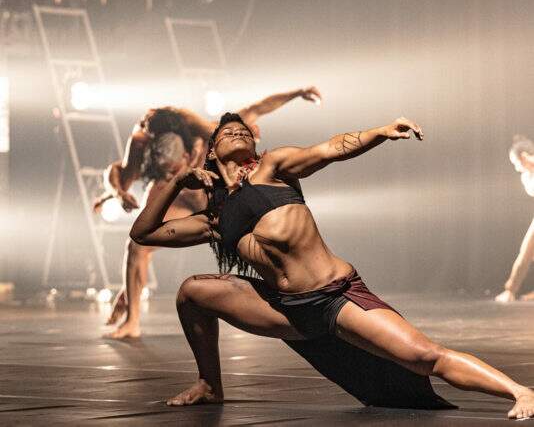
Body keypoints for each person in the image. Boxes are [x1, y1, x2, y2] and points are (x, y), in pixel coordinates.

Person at [129, 113, 534, 419]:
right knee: (192, 292)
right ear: (212, 152)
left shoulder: (274, 167)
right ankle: (209, 383)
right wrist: (177, 182)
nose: (237, 131)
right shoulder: (216, 218)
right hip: (284, 307)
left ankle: (520, 391)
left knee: (425, 356)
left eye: (244, 131)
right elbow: (144, 233)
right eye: (226, 132)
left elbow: (329, 148)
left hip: (335, 298)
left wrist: (378, 133)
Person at [93, 87, 322, 339]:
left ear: (190, 149)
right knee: (137, 246)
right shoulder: (141, 141)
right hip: (179, 196)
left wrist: (297, 93)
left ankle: (304, 288)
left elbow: (255, 109)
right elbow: (117, 172)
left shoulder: (207, 131)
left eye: (175, 162)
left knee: (260, 240)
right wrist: (116, 192)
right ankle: (132, 320)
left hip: (213, 194)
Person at [495, 135, 534, 303]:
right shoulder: (526, 177)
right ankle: (510, 291)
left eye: (516, 161)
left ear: (523, 157)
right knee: (526, 252)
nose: (516, 167)